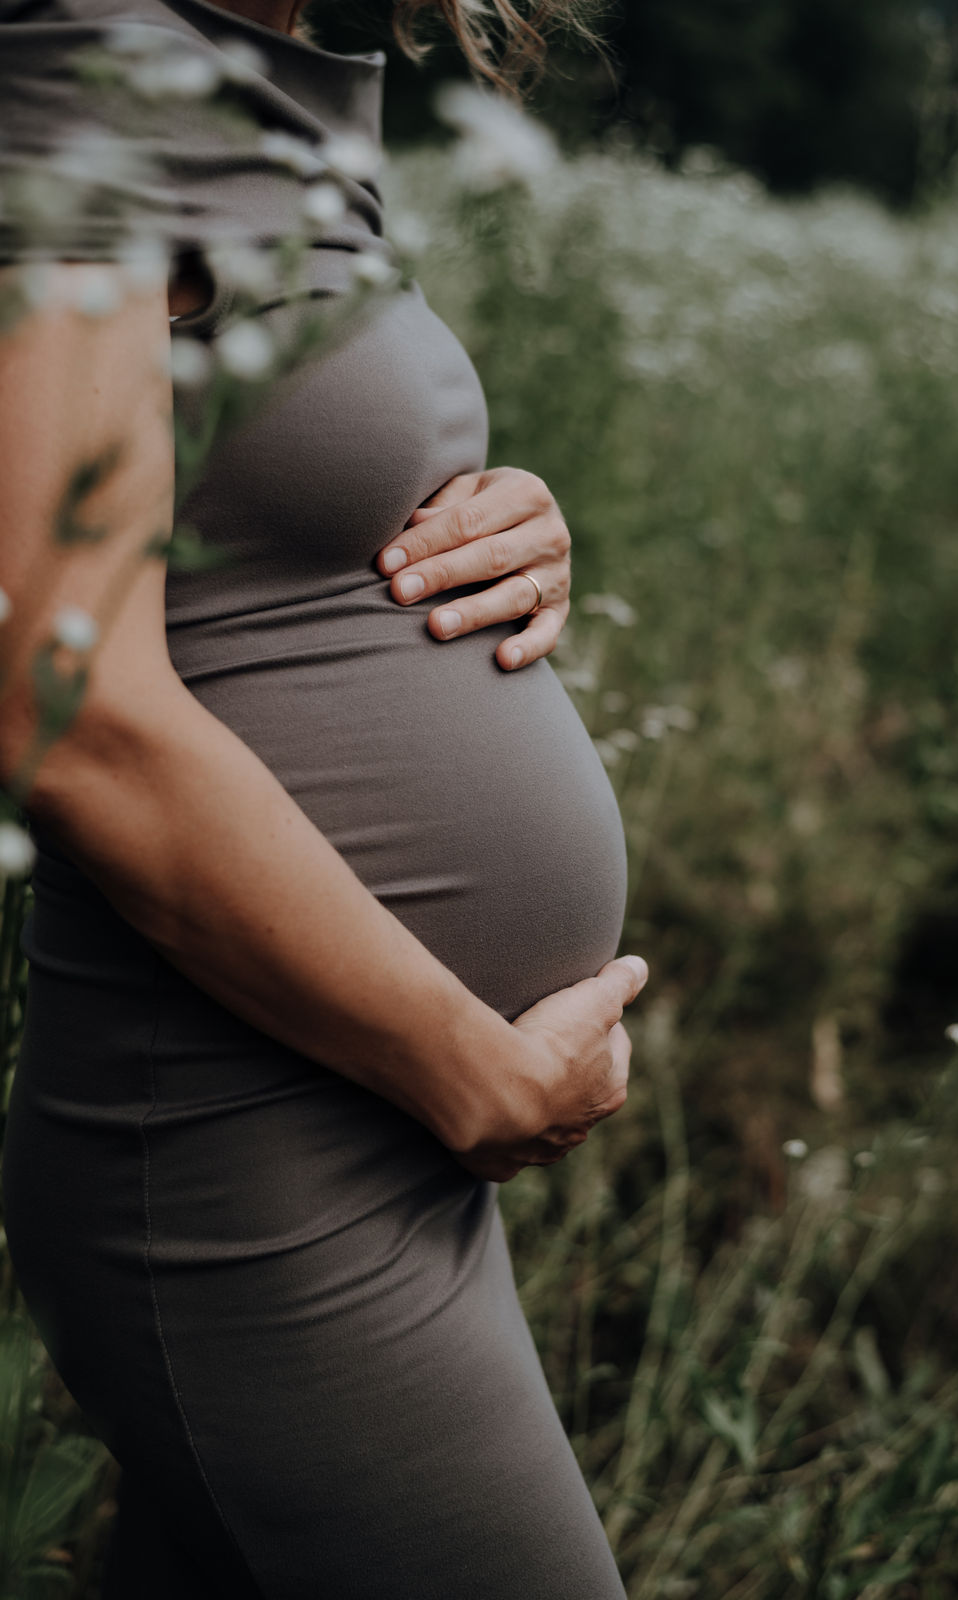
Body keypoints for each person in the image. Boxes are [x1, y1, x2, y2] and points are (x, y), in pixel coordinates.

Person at [0, 0, 647, 1593]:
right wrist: (468, 1070)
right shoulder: (88, 72)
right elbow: (57, 701)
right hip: (243, 1153)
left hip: (351, 1114)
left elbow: (264, 518)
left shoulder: (264, 84)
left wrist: (501, 524)